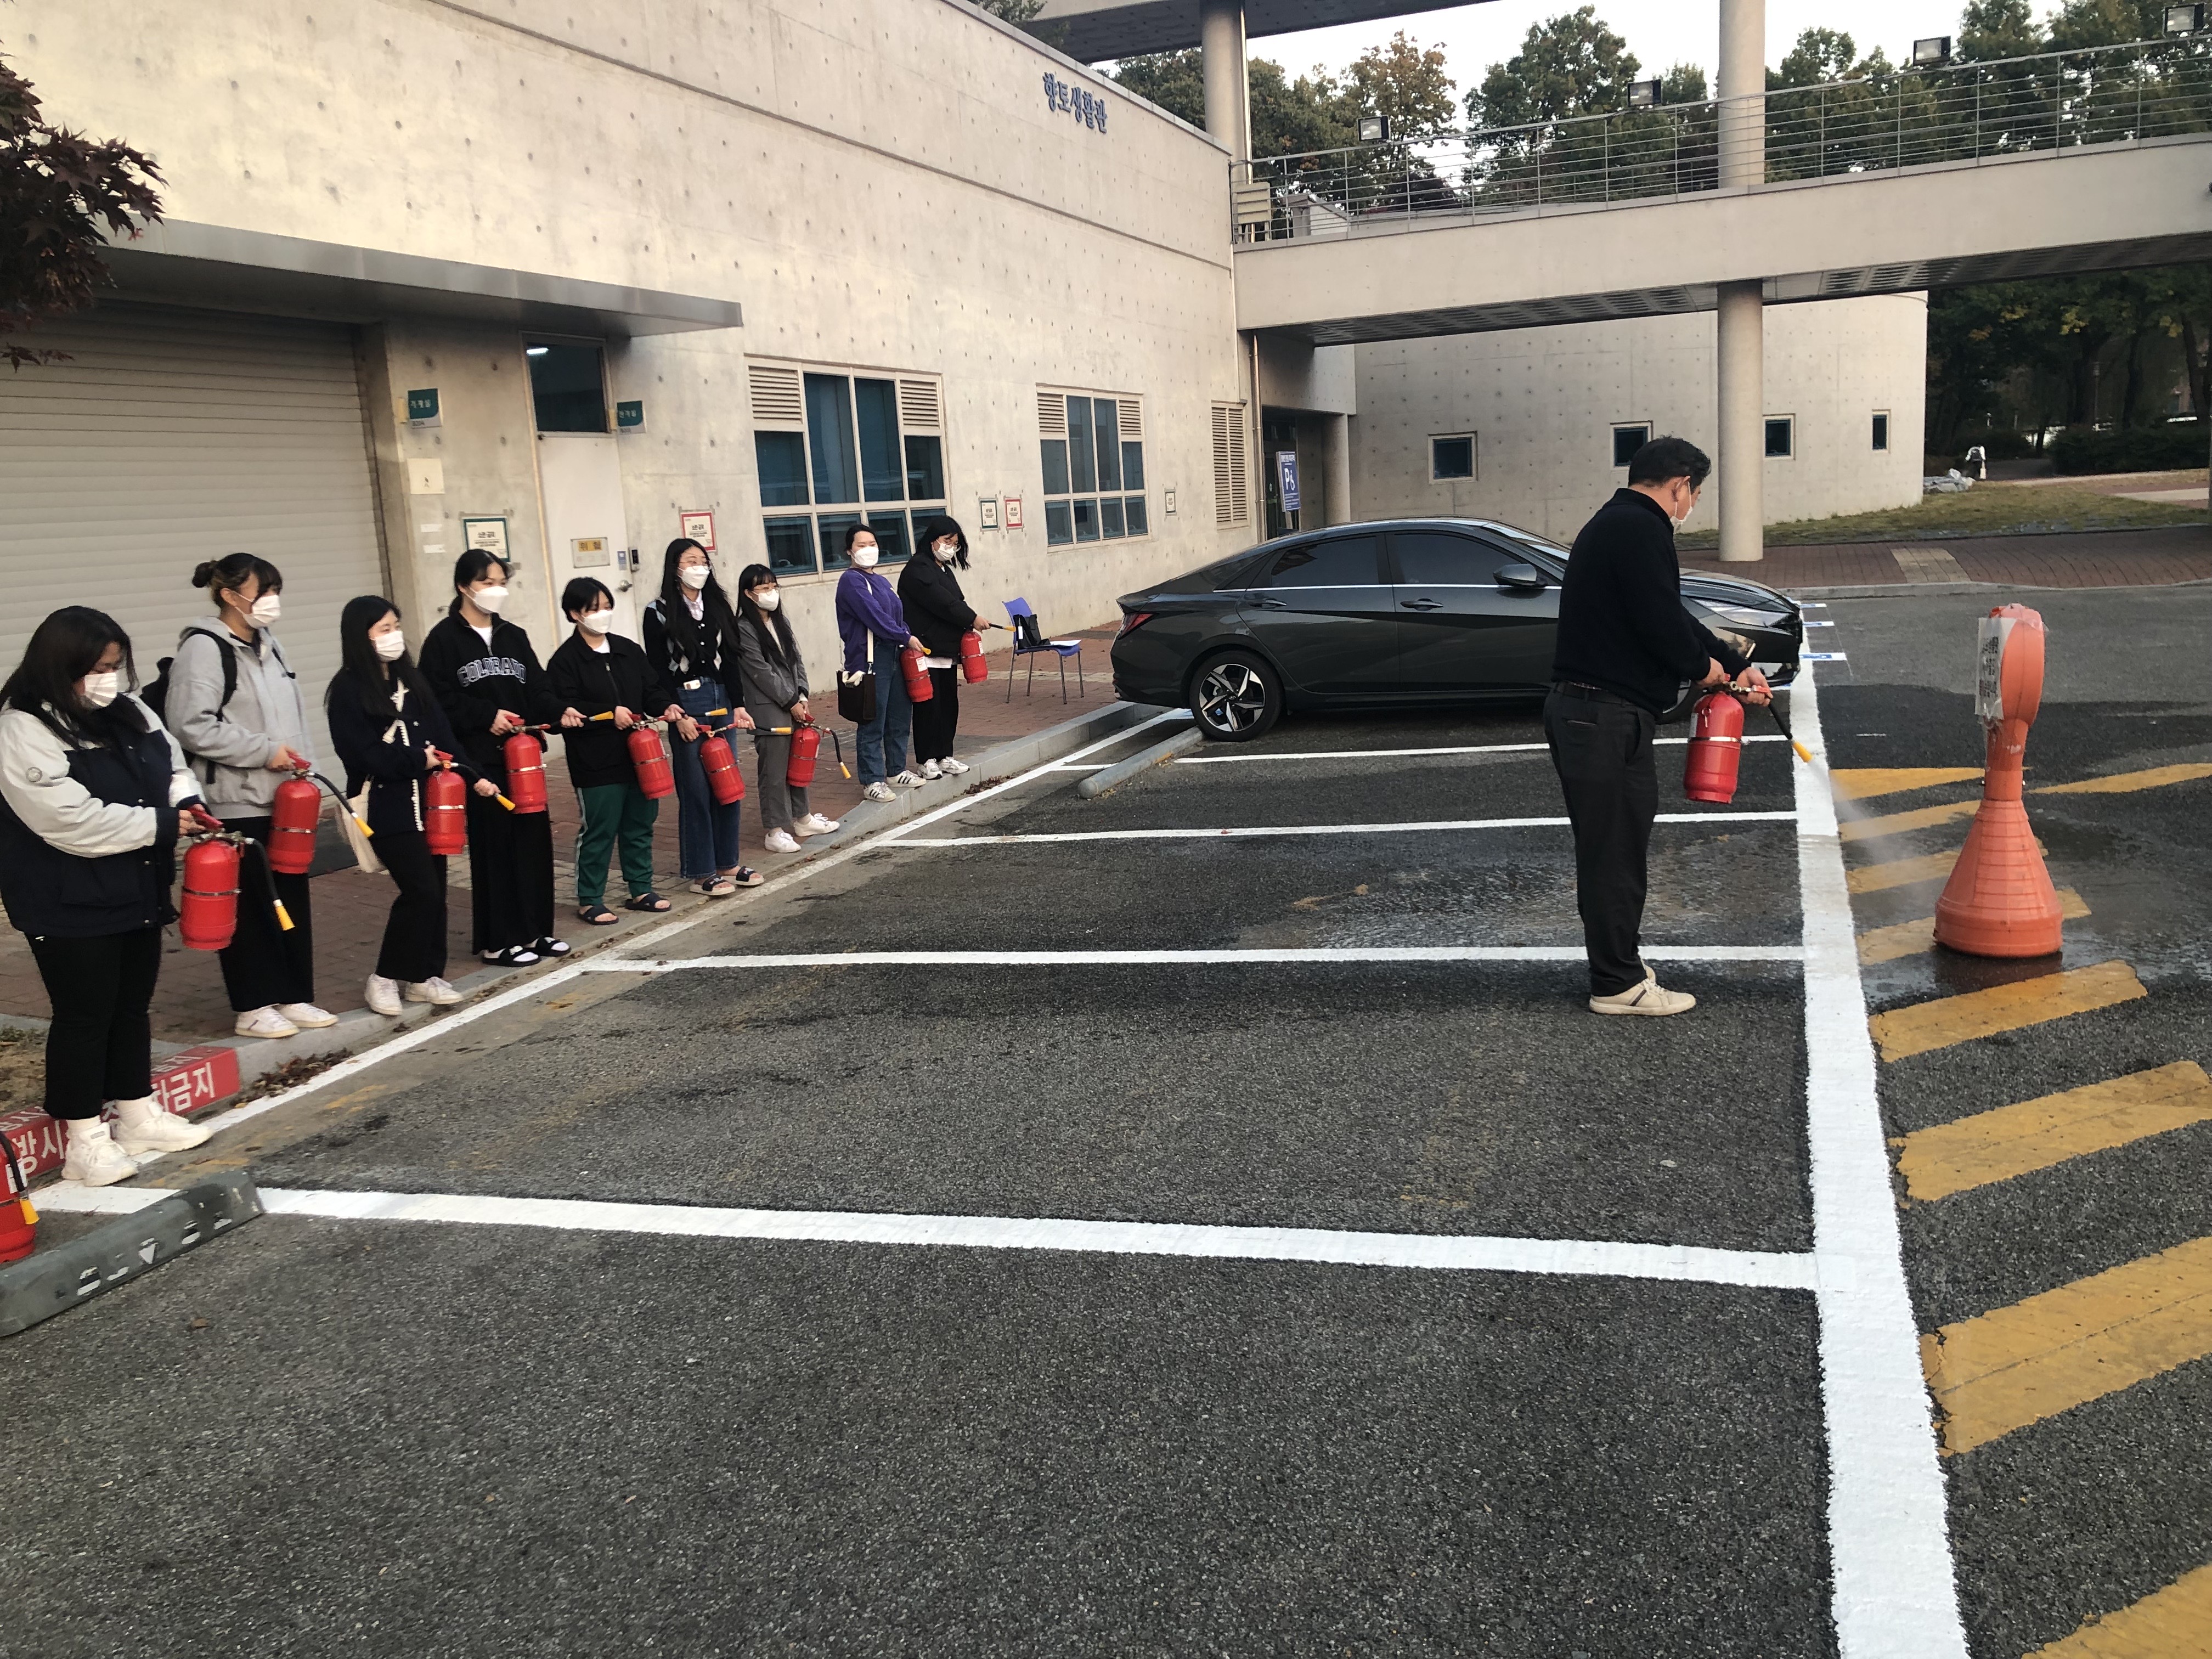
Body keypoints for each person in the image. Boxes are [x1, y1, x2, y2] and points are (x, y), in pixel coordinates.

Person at [1545, 436, 1771, 1017]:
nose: (1691, 504)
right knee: (1615, 854)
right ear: (1680, 486)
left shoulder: (1619, 523)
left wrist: (1735, 664)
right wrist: (1705, 669)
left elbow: (1670, 612)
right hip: (1602, 715)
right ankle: (1617, 985)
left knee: (1616, 849)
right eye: (1694, 493)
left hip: (1598, 713)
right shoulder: (1640, 529)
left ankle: (1619, 964)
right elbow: (1660, 623)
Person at [0, 607, 212, 1186]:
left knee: (130, 1007)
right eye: (95, 668)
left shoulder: (130, 711)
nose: (108, 678)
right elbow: (69, 821)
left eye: (114, 665)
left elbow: (173, 764)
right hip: (66, 898)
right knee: (85, 1016)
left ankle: (137, 1113)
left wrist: (187, 802)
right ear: (59, 665)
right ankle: (85, 1140)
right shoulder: (23, 728)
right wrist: (162, 825)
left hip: (134, 886)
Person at [165, 552, 334, 1041]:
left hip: (285, 797)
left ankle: (293, 994)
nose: (272, 601)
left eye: (276, 591)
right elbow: (191, 725)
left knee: (290, 897)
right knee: (253, 905)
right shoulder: (204, 649)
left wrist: (308, 771)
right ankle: (253, 1005)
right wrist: (264, 752)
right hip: (237, 798)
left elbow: (294, 717)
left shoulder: (269, 644)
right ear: (230, 596)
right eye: (264, 592)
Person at [326, 597, 494, 1016]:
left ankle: (424, 976)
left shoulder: (411, 680)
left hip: (433, 803)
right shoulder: (347, 690)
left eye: (396, 626)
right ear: (361, 636)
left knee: (436, 891)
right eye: (384, 629)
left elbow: (444, 737)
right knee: (421, 890)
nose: (394, 635)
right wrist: (418, 759)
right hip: (388, 806)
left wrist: (474, 775)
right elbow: (362, 754)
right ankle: (385, 976)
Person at [417, 550, 567, 967]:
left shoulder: (513, 635)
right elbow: (436, 701)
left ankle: (536, 930)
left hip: (524, 756)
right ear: (464, 586)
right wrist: (486, 716)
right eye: (487, 583)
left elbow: (537, 687)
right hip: (480, 759)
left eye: (502, 582)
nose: (496, 590)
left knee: (533, 841)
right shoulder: (443, 640)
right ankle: (498, 939)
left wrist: (558, 711)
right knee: (495, 847)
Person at [548, 577, 675, 924]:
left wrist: (666, 706)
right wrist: (607, 712)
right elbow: (564, 707)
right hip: (595, 759)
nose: (602, 614)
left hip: (640, 755)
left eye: (607, 607)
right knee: (599, 828)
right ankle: (590, 898)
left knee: (640, 822)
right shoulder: (565, 661)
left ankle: (641, 888)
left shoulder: (626, 650)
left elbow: (651, 689)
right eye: (593, 609)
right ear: (574, 614)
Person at [641, 538, 759, 896]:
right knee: (696, 789)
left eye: (703, 560)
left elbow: (732, 659)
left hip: (721, 697)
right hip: (686, 703)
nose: (699, 567)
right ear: (675, 567)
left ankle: (728, 862)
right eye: (690, 561)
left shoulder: (718, 605)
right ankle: (701, 870)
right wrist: (674, 712)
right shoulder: (659, 611)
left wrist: (739, 704)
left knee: (727, 782)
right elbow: (657, 668)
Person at [733, 563, 839, 855]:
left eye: (774, 587)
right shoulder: (743, 628)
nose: (771, 593)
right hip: (769, 709)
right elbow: (761, 672)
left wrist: (802, 694)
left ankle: (803, 818)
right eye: (764, 588)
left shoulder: (781, 622)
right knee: (774, 773)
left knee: (798, 762)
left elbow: (796, 661)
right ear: (749, 593)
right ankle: (775, 830)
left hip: (794, 703)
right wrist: (791, 702)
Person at [834, 523, 929, 802]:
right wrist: (906, 637)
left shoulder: (881, 580)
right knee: (872, 719)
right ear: (849, 551)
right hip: (870, 657)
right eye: (861, 545)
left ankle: (896, 770)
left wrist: (905, 636)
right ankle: (872, 779)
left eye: (872, 544)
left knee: (899, 715)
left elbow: (896, 615)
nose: (868, 550)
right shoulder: (852, 581)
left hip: (895, 653)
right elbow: (874, 616)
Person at [898, 514, 992, 779]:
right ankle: (926, 759)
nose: (951, 547)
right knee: (928, 706)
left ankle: (944, 755)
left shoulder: (943, 569)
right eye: (947, 541)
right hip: (926, 649)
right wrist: (972, 618)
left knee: (948, 705)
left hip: (947, 650)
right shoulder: (918, 569)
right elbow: (943, 603)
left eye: (955, 543)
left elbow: (956, 601)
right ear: (932, 540)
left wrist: (968, 620)